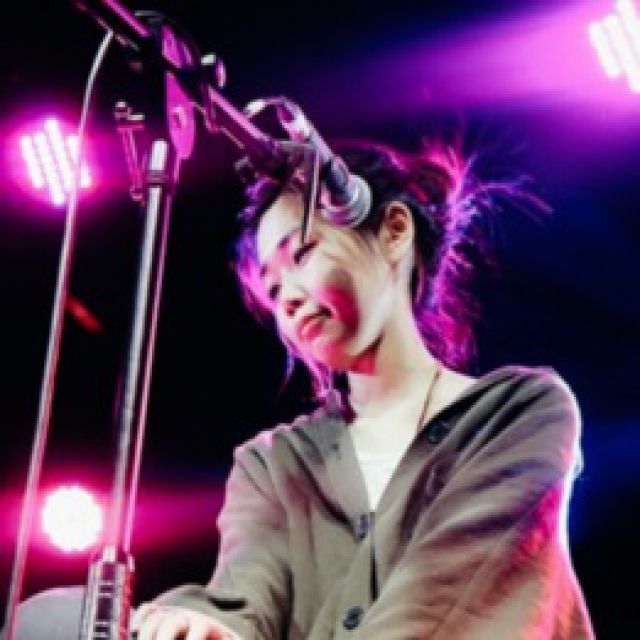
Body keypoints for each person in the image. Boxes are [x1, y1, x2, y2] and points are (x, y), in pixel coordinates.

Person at [10, 139, 595, 639]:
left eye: (304, 253)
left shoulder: (519, 411)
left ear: (394, 232)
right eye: (271, 289)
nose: (287, 297)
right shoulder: (274, 463)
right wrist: (200, 624)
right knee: (48, 622)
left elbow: (441, 601)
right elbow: (244, 600)